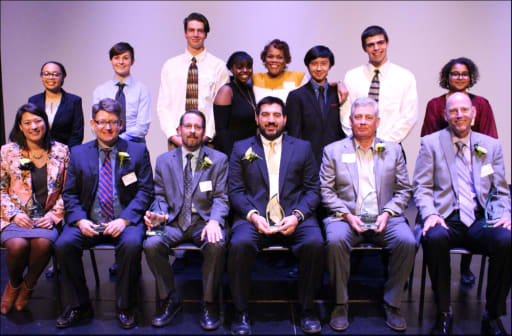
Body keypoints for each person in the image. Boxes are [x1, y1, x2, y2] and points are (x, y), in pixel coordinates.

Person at [413, 92, 510, 335]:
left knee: (507, 241)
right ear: (445, 115)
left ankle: (493, 313)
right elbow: (422, 186)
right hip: (446, 216)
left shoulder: (490, 145)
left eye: (464, 110)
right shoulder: (431, 143)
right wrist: (430, 214)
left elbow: (499, 188)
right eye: (453, 111)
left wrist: (504, 214)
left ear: (474, 115)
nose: (459, 115)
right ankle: (444, 311)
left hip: (480, 218)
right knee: (433, 238)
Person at [228, 96, 325, 335]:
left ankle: (307, 309)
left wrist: (297, 216)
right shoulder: (241, 148)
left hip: (293, 215)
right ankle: (240, 311)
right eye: (265, 115)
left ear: (285, 119)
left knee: (315, 242)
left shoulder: (302, 147)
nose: (271, 120)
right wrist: (252, 216)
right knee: (239, 243)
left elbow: (313, 190)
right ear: (257, 118)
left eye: (276, 115)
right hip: (255, 217)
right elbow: (236, 190)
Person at [55, 98, 153, 329]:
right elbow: (69, 194)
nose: (107, 128)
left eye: (113, 122)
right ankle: (79, 305)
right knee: (63, 245)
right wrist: (79, 220)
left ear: (121, 124)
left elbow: (146, 190)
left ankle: (125, 306)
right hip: (89, 221)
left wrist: (125, 219)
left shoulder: (137, 151)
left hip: (125, 221)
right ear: (92, 123)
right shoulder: (78, 153)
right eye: (102, 122)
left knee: (130, 245)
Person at [319, 97, 415, 332]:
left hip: (385, 216)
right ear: (350, 121)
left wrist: (388, 213)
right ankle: (340, 303)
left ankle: (392, 303)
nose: (362, 122)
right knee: (335, 240)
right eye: (358, 117)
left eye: (368, 117)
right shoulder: (333, 151)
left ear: (377, 121)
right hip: (346, 216)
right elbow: (326, 191)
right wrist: (347, 215)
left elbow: (404, 190)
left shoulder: (393, 150)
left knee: (407, 241)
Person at [143, 110, 229, 330]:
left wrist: (215, 221)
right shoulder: (164, 160)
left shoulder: (217, 159)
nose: (192, 131)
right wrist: (157, 215)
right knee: (152, 243)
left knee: (216, 243)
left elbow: (221, 197)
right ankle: (170, 298)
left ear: (204, 132)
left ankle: (209, 302)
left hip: (203, 222)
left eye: (197, 127)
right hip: (171, 223)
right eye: (188, 126)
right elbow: (160, 196)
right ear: (179, 131)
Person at [421, 57, 499, 287]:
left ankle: (466, 267)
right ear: (447, 77)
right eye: (454, 73)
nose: (459, 77)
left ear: (470, 77)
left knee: (475, 214)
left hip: (472, 164)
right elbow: (427, 135)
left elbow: (489, 138)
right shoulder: (435, 105)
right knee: (440, 233)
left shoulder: (481, 104)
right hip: (442, 168)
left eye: (464, 74)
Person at [1, 103, 69, 314]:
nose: (34, 126)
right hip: (16, 217)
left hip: (46, 218)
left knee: (42, 244)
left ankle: (28, 286)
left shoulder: (61, 150)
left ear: (45, 124)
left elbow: (69, 191)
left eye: (38, 121)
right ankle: (13, 285)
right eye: (27, 122)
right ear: (20, 127)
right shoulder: (7, 151)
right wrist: (14, 215)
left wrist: (54, 215)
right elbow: (1, 189)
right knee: (17, 246)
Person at [157, 12, 229, 150]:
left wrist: (207, 135)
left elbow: (219, 111)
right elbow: (163, 106)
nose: (195, 34)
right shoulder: (170, 66)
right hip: (177, 141)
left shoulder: (218, 66)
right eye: (191, 30)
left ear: (206, 34)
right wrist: (173, 136)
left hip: (207, 141)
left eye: (200, 31)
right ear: (185, 33)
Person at [340, 25, 418, 149]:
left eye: (380, 43)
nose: (376, 48)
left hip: (391, 148)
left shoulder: (405, 77)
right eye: (371, 45)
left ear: (387, 43)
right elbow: (345, 114)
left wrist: (382, 145)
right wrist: (359, 141)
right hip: (357, 148)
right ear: (364, 48)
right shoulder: (352, 76)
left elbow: (409, 117)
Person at [286, 45, 346, 169]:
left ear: (330, 66)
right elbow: (294, 134)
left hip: (336, 160)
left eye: (324, 63)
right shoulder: (296, 96)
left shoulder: (339, 93)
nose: (319, 68)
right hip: (307, 161)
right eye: (314, 64)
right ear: (308, 66)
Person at [92, 42, 151, 143]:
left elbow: (142, 127)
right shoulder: (100, 91)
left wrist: (119, 139)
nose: (121, 62)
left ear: (132, 61)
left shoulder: (142, 90)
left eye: (125, 58)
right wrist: (110, 138)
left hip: (134, 144)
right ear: (111, 61)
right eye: (116, 58)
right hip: (106, 144)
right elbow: (95, 123)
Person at [28, 61, 84, 148]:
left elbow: (77, 134)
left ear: (63, 77)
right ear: (41, 77)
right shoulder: (33, 101)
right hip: (38, 152)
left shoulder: (74, 101)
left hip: (65, 154)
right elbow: (29, 129)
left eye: (55, 74)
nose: (51, 77)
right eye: (46, 74)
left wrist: (68, 155)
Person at [213, 51, 258, 156]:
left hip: (248, 150)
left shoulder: (249, 89)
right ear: (231, 69)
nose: (245, 70)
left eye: (249, 67)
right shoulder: (226, 91)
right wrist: (232, 155)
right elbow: (221, 130)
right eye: (240, 67)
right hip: (230, 151)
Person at [252, 39, 308, 104]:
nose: (274, 60)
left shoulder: (298, 77)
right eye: (270, 56)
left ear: (286, 60)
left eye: (279, 57)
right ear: (264, 59)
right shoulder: (255, 78)